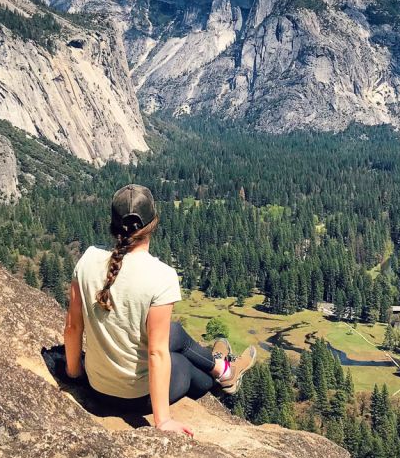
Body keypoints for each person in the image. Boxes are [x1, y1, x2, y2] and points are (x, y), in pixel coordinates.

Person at [63, 184, 257, 437]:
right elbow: (156, 353)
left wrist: (74, 374)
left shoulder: (88, 258)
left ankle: (222, 368)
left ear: (112, 223)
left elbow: (73, 327)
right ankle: (222, 376)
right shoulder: (161, 276)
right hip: (133, 397)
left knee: (174, 332)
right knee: (184, 364)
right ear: (153, 223)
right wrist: (162, 421)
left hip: (97, 384)